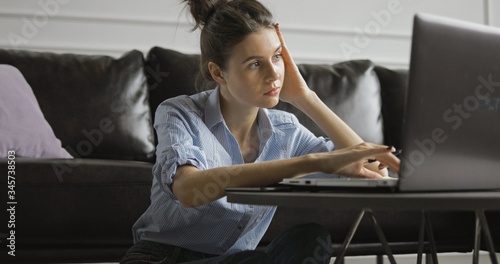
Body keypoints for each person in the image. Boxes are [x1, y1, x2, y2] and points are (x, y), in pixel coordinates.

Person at [121, 0, 400, 263]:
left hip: (236, 260)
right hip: (163, 258)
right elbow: (188, 190)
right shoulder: (179, 113)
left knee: (310, 239)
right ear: (218, 74)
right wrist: (309, 163)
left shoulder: (285, 130)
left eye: (276, 57)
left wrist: (306, 97)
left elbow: (372, 171)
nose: (273, 74)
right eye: (255, 63)